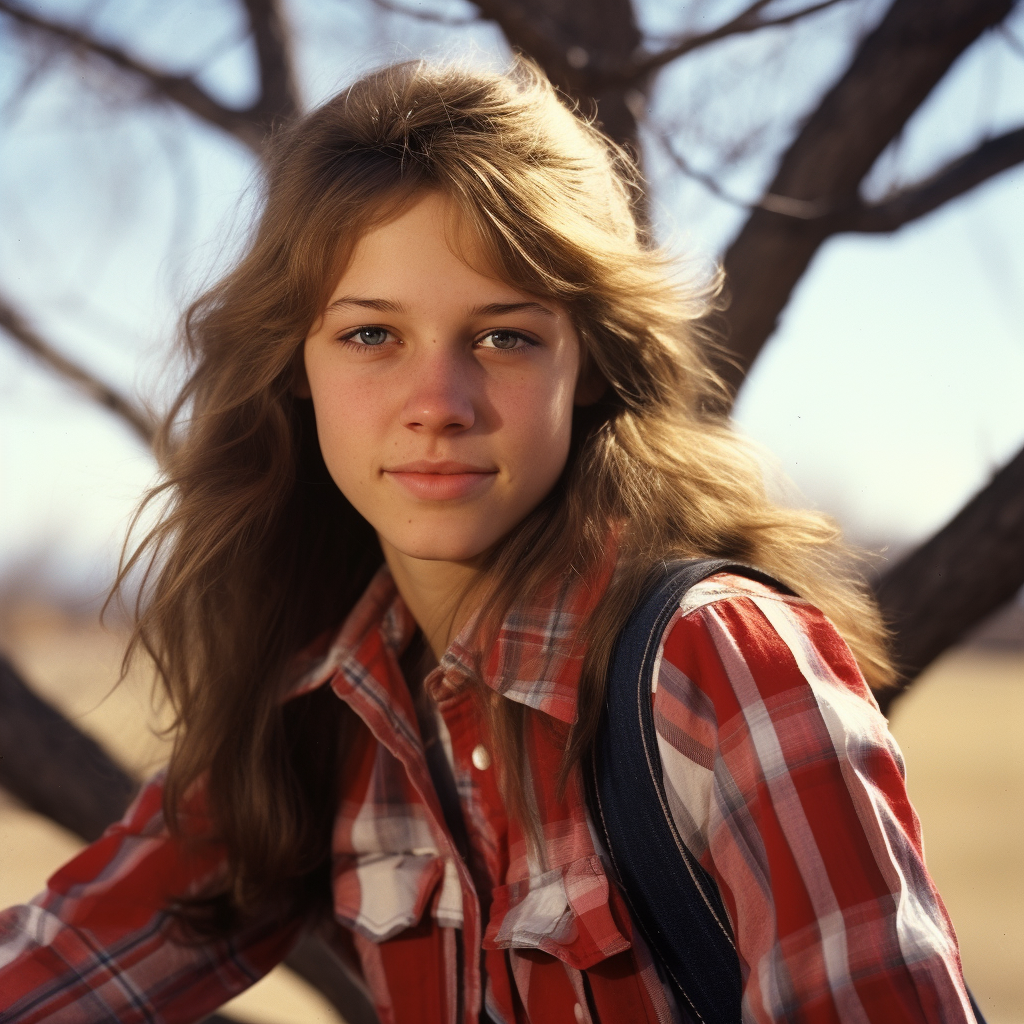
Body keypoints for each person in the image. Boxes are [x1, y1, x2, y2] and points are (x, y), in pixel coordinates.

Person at [0, 58, 976, 1024]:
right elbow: (71, 959)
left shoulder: (719, 662)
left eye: (503, 336)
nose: (438, 406)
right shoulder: (323, 703)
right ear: (292, 364)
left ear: (587, 359)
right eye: (371, 336)